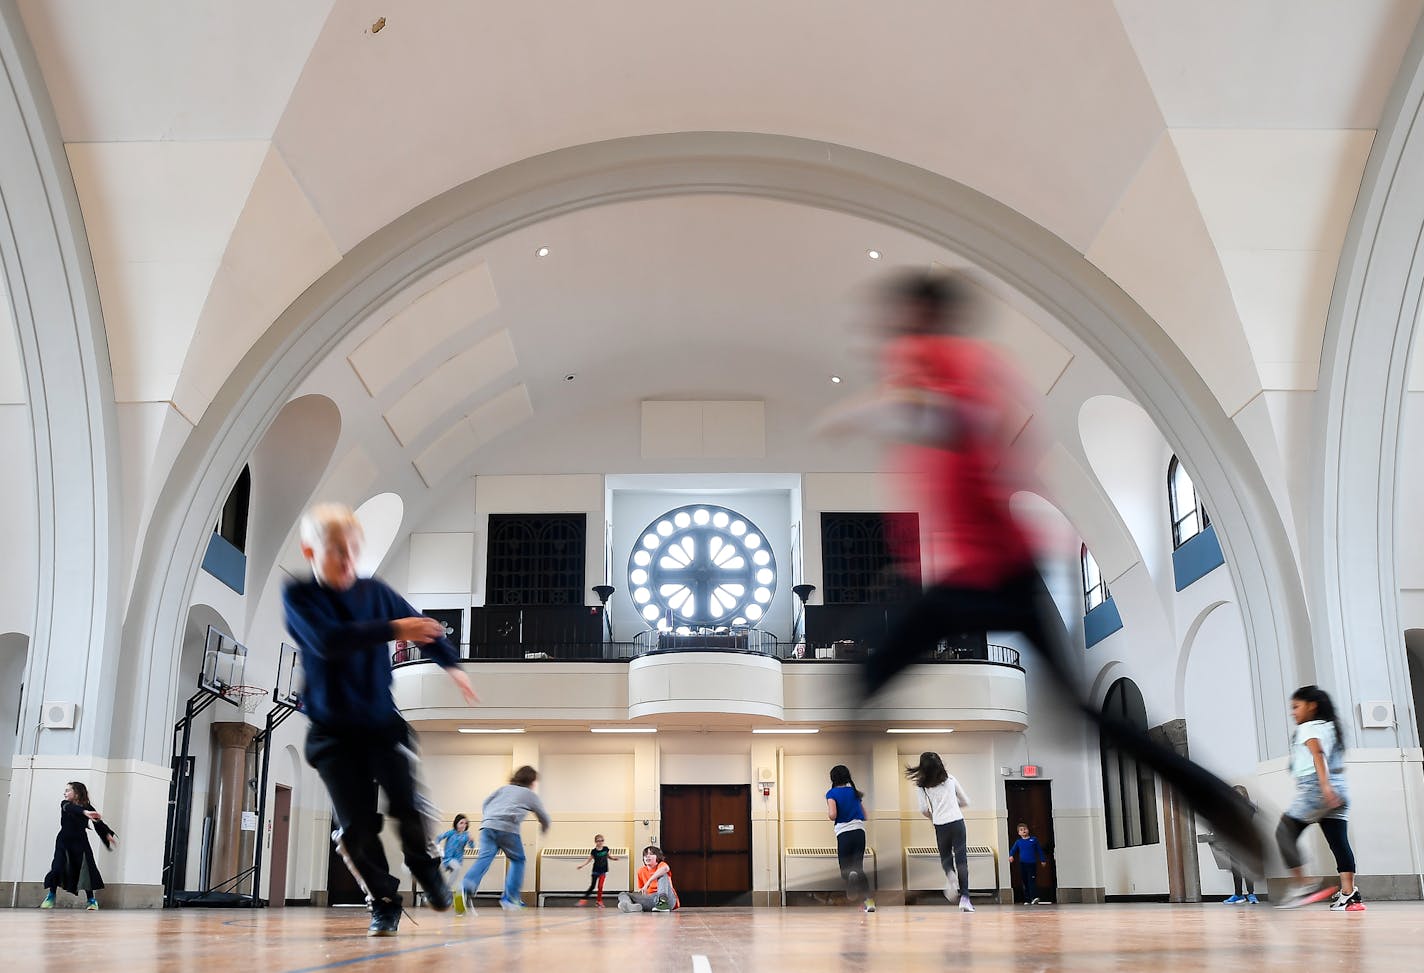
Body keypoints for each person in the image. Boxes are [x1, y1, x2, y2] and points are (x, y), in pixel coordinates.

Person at [820, 269, 1264, 878]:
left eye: (902, 326)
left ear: (923, 319)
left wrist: (869, 411)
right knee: (865, 683)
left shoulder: (950, 363)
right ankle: (1225, 810)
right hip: (979, 579)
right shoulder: (937, 369)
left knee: (862, 680)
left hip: (993, 573)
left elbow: (961, 419)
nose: (894, 340)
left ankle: (1225, 809)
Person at [283, 502, 478, 936]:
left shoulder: (376, 593)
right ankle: (384, 900)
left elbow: (425, 627)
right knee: (355, 829)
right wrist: (395, 629)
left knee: (407, 806)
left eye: (354, 551)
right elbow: (328, 641)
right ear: (311, 552)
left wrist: (452, 665)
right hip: (332, 733)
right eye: (337, 552)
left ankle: (426, 870)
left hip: (380, 724)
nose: (349, 562)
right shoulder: (300, 597)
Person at [1275, 686, 1363, 911]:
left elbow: (1318, 754)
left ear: (1311, 706)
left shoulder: (1308, 727)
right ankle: (1349, 894)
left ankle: (1304, 885)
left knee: (1284, 832)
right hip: (1339, 788)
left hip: (1318, 788)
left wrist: (1324, 787)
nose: (1293, 712)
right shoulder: (1330, 727)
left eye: (1296, 707)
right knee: (1338, 842)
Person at [458, 765, 551, 915]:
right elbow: (544, 816)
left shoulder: (503, 789)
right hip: (507, 828)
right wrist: (544, 828)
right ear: (531, 781)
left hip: (487, 826)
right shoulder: (529, 794)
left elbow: (486, 802)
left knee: (484, 859)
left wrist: (490, 817)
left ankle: (465, 887)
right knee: (518, 859)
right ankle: (511, 898)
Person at [907, 752, 973, 913]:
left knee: (945, 857)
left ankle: (950, 874)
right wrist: (953, 805)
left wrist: (934, 814)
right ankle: (965, 898)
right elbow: (966, 801)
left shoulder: (922, 786)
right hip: (957, 822)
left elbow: (923, 809)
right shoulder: (950, 779)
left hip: (940, 824)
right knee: (962, 859)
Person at [40, 782, 116, 911]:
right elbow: (72, 809)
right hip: (63, 841)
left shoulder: (87, 806)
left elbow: (98, 822)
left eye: (68, 790)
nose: (65, 793)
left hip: (81, 842)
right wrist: (84, 812)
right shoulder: (65, 804)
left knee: (86, 869)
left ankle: (91, 900)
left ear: (77, 793)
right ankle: (51, 896)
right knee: (57, 867)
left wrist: (107, 834)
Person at [826, 764, 875, 913]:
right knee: (858, 869)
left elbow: (832, 814)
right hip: (859, 832)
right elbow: (865, 815)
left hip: (844, 833)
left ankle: (850, 875)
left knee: (845, 871)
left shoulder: (831, 793)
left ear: (833, 778)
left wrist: (830, 814)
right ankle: (870, 903)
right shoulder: (854, 792)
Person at [1219, 786, 1259, 905]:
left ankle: (1251, 894)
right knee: (1236, 869)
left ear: (1244, 796)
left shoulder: (1250, 809)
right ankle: (1238, 895)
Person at [617, 846, 679, 913]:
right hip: (652, 899)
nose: (647, 856)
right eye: (645, 855)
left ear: (657, 857)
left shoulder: (661, 865)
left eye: (651, 854)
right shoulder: (641, 871)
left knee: (663, 874)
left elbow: (665, 869)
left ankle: (663, 903)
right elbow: (643, 890)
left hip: (668, 898)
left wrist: (648, 882)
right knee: (623, 894)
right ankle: (630, 906)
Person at [438, 814, 474, 910]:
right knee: (436, 875)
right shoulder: (451, 833)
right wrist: (436, 846)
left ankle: (449, 892)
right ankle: (438, 892)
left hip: (456, 861)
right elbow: (439, 837)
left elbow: (472, 847)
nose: (463, 825)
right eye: (461, 823)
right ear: (456, 824)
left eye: (465, 823)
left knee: (456, 871)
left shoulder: (466, 835)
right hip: (446, 860)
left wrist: (471, 840)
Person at [1007, 822, 1048, 905]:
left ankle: (1034, 897)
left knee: (1031, 880)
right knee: (1025, 881)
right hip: (1023, 864)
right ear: (1019, 833)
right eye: (1021, 830)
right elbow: (1013, 850)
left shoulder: (1033, 840)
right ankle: (1027, 899)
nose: (1024, 831)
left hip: (1031, 864)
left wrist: (1043, 860)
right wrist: (1011, 855)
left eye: (1025, 829)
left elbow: (1039, 850)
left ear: (1028, 830)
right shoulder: (1018, 842)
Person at [576, 833, 620, 907]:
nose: (600, 842)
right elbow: (589, 860)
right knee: (592, 886)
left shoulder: (606, 849)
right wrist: (582, 865)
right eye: (598, 841)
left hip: (603, 871)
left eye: (602, 841)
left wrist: (614, 858)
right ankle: (583, 900)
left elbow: (608, 856)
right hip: (596, 871)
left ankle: (599, 901)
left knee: (600, 886)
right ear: (595, 842)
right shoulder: (594, 851)